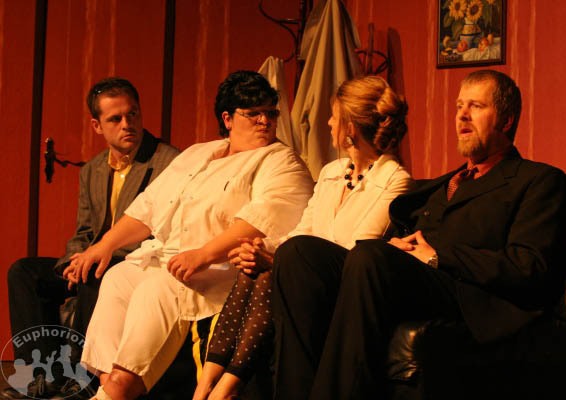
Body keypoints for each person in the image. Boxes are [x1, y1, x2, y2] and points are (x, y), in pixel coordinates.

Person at [271, 70, 566, 399]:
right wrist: (398, 244)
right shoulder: (448, 183)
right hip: (414, 280)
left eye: (476, 106)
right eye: (459, 106)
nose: (462, 115)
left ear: (507, 120)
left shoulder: (537, 180)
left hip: (467, 292)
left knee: (370, 256)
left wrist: (438, 256)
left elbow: (529, 266)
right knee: (298, 254)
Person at [69, 70, 314, 400]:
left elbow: (261, 221)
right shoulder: (201, 152)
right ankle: (109, 384)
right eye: (253, 113)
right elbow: (149, 207)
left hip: (216, 271)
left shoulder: (282, 161)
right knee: (118, 277)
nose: (265, 121)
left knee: (155, 288)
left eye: (271, 112)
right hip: (167, 257)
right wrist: (104, 245)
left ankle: (122, 386)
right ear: (227, 118)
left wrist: (204, 255)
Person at [194, 75, 415, 400]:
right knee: (253, 269)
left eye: (334, 117)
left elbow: (357, 250)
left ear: (350, 127)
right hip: (303, 277)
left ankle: (224, 388)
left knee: (271, 271)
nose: (328, 123)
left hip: (343, 288)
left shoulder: (395, 179)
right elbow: (303, 232)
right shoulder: (331, 172)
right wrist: (261, 249)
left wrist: (274, 260)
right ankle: (208, 386)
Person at [4, 77, 179, 399]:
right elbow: (84, 231)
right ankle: (40, 378)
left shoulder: (168, 162)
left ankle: (82, 381)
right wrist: (72, 262)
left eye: (133, 114)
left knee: (97, 269)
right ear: (97, 126)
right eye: (115, 118)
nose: (127, 124)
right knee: (24, 272)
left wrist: (94, 256)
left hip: (134, 262)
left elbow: (161, 229)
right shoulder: (93, 169)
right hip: (94, 259)